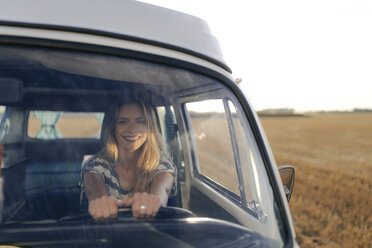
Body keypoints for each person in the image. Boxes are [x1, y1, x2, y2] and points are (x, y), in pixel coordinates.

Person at [81, 94, 176, 220]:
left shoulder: (162, 166)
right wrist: (101, 202)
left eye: (141, 121)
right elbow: (94, 191)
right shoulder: (95, 165)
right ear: (113, 128)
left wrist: (154, 202)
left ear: (150, 127)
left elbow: (162, 190)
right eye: (123, 122)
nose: (132, 129)